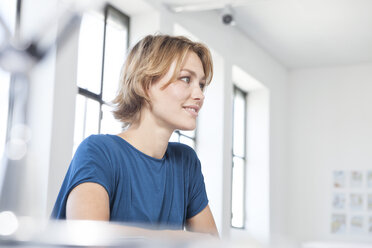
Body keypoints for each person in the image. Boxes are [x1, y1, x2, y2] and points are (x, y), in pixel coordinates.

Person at [51, 34, 218, 237]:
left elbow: (211, 243)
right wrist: (178, 238)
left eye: (201, 84)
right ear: (145, 85)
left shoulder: (186, 162)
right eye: (185, 79)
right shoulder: (98, 151)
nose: (200, 95)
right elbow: (89, 236)